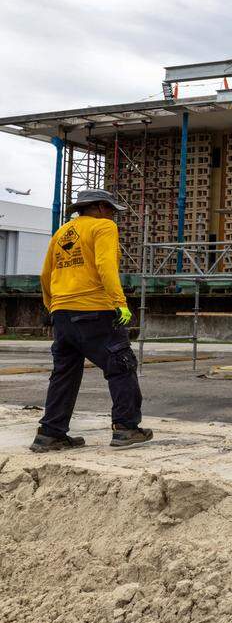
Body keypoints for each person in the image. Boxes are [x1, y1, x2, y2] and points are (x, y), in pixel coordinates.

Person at [31, 189, 152, 453]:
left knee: (64, 373)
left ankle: (50, 433)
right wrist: (119, 302)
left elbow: (45, 274)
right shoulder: (103, 227)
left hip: (62, 313)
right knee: (121, 365)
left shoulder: (62, 233)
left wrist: (52, 306)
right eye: (110, 209)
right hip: (95, 309)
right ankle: (126, 428)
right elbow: (105, 265)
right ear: (97, 207)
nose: (113, 216)